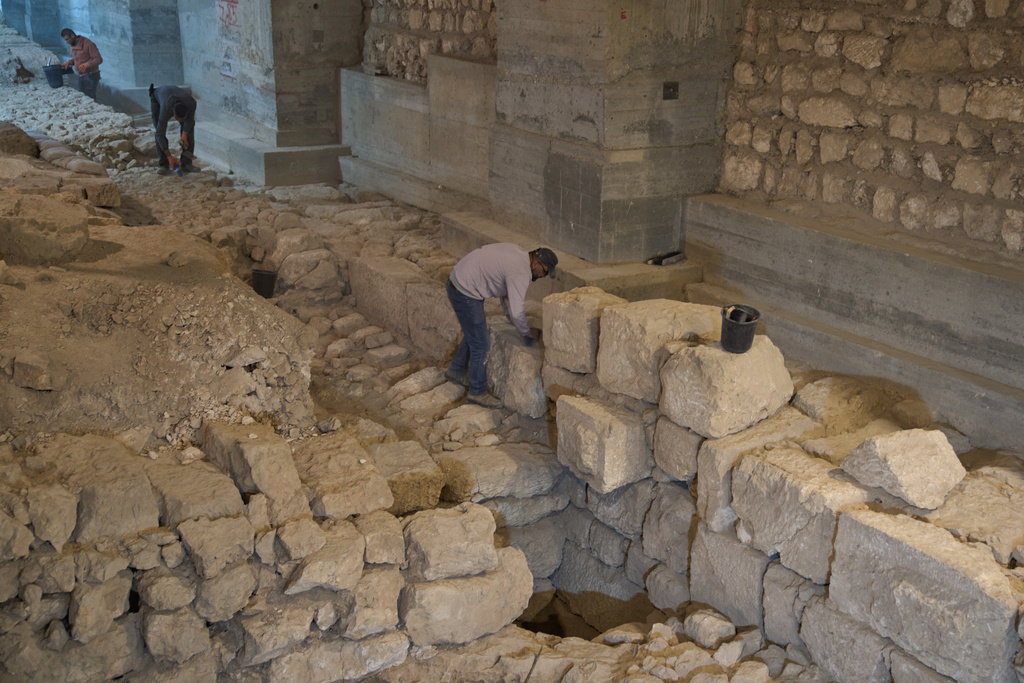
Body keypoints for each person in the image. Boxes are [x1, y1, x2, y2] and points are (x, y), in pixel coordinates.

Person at [446, 244, 558, 407]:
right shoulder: (521, 272)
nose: (543, 276)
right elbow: (517, 310)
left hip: (459, 279)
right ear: (536, 264)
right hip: (465, 291)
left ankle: (456, 371)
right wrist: (526, 331)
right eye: (545, 271)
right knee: (481, 344)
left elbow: (506, 291)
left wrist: (508, 313)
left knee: (475, 333)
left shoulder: (517, 253)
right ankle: (477, 392)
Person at [149, 84, 197, 176]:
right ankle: (164, 164)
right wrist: (169, 156)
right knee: (159, 131)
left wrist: (184, 134)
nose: (180, 121)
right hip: (158, 97)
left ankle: (187, 163)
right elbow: (160, 134)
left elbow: (190, 120)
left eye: (182, 119)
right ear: (173, 113)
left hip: (173, 95)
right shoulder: (166, 110)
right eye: (178, 119)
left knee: (189, 128)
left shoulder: (192, 103)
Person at [60, 29, 102, 100]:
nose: (66, 42)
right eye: (65, 40)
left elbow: (98, 59)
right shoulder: (74, 44)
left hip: (91, 75)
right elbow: (80, 58)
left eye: (67, 39)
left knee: (89, 98)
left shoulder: (88, 44)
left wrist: (87, 65)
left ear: (72, 36)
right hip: (82, 75)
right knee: (83, 97)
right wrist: (69, 62)